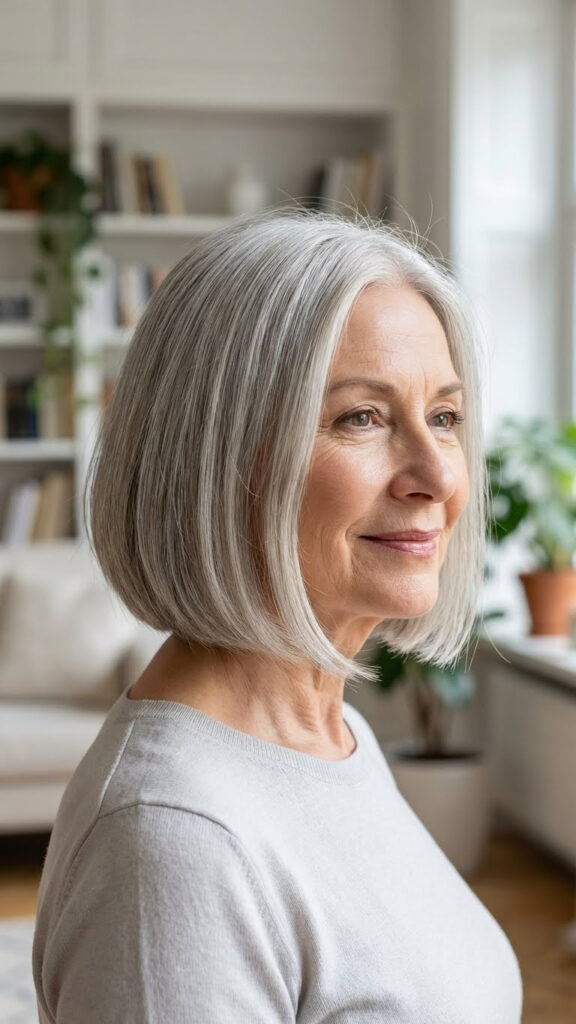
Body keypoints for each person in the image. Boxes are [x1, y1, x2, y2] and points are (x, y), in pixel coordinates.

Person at [32, 210, 523, 1023]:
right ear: (218, 461)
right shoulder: (175, 842)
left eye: (444, 415)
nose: (436, 472)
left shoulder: (332, 738)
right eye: (361, 417)